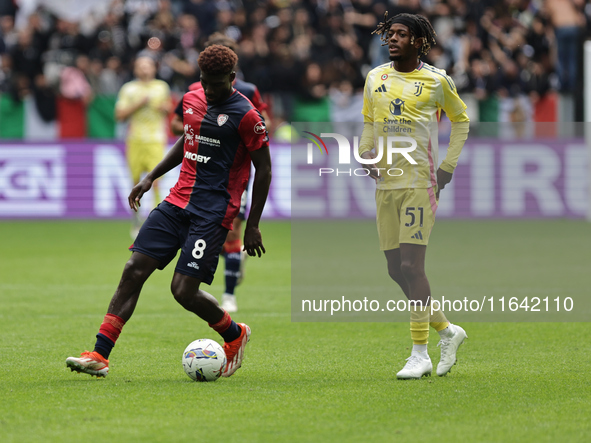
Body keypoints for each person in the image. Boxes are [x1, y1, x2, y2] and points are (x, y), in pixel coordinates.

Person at [66, 45, 272, 378]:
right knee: (134, 269)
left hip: (213, 213)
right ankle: (100, 355)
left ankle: (234, 334)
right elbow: (187, 139)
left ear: (232, 79)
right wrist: (151, 177)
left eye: (216, 84)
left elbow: (264, 169)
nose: (208, 89)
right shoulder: (191, 99)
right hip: (176, 203)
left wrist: (253, 225)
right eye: (204, 81)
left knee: (182, 291)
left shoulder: (247, 116)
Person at [359, 13, 469, 379]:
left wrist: (448, 167)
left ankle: (419, 353)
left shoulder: (437, 81)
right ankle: (447, 331)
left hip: (420, 184)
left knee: (411, 266)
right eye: (390, 34)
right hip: (386, 186)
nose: (392, 39)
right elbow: (370, 121)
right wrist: (365, 152)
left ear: (419, 41)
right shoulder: (376, 77)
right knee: (394, 269)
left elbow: (461, 120)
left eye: (401, 34)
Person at [171, 33, 272, 313]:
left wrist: (250, 129)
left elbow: (263, 123)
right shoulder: (194, 90)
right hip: (198, 175)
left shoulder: (248, 92)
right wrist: (200, 129)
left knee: (232, 233)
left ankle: (229, 294)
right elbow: (176, 124)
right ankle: (228, 265)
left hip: (232, 174)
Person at [115, 56, 171, 238]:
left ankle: (156, 221)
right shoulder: (129, 89)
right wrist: (139, 103)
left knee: (155, 181)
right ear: (135, 69)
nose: (144, 69)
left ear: (153, 69)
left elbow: (169, 108)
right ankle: (136, 219)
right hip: (135, 140)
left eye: (147, 66)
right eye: (141, 66)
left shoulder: (161, 87)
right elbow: (120, 114)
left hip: (156, 139)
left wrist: (164, 107)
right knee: (135, 181)